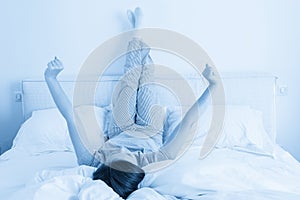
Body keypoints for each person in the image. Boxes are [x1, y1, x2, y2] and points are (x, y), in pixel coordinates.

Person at [44, 7, 218, 199]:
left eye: (118, 153)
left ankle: (137, 30)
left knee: (129, 78)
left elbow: (71, 117)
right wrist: (212, 86)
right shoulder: (152, 160)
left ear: (106, 165)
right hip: (151, 130)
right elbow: (189, 123)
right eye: (130, 155)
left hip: (120, 127)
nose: (125, 149)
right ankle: (143, 48)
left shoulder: (91, 161)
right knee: (147, 79)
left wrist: (51, 79)